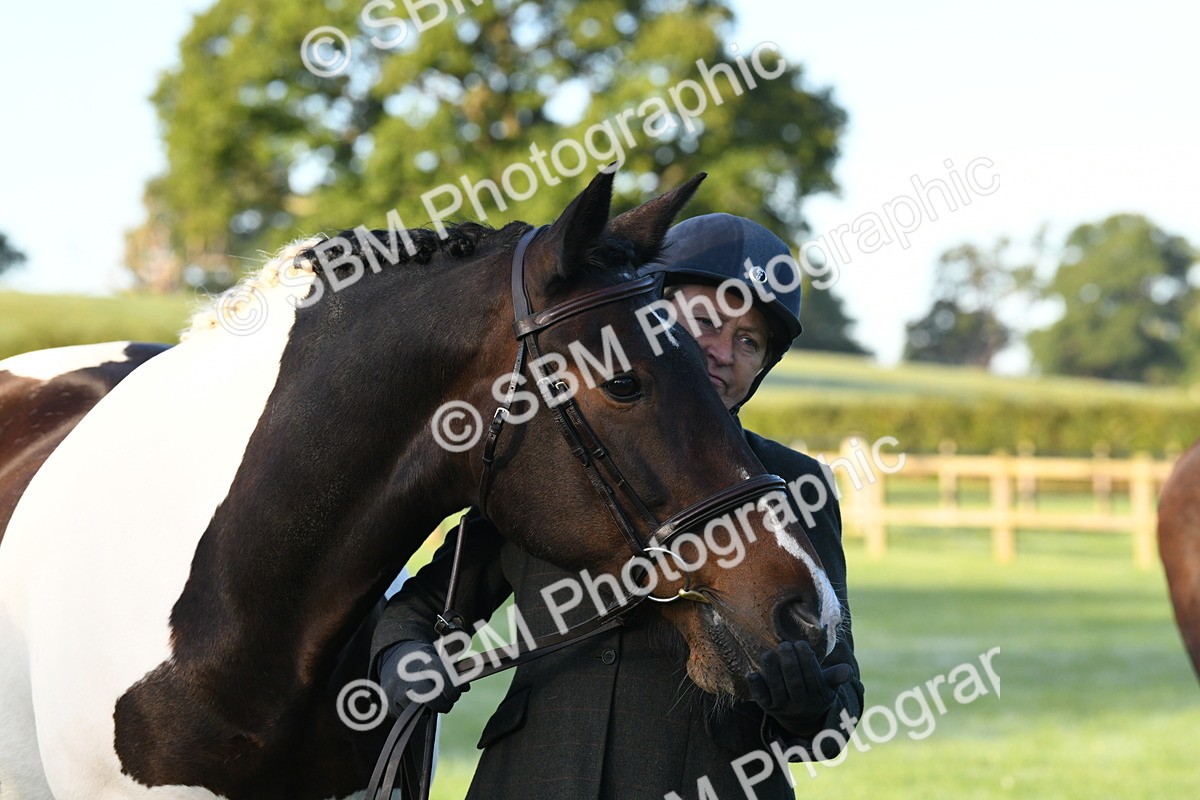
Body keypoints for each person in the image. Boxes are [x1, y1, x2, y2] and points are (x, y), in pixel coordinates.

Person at [370, 213, 864, 799]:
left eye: (749, 341)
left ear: (763, 366)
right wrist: (402, 655)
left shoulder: (793, 481)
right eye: (703, 320)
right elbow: (425, 605)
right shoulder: (549, 447)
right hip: (532, 779)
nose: (721, 351)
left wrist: (806, 708)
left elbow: (839, 713)